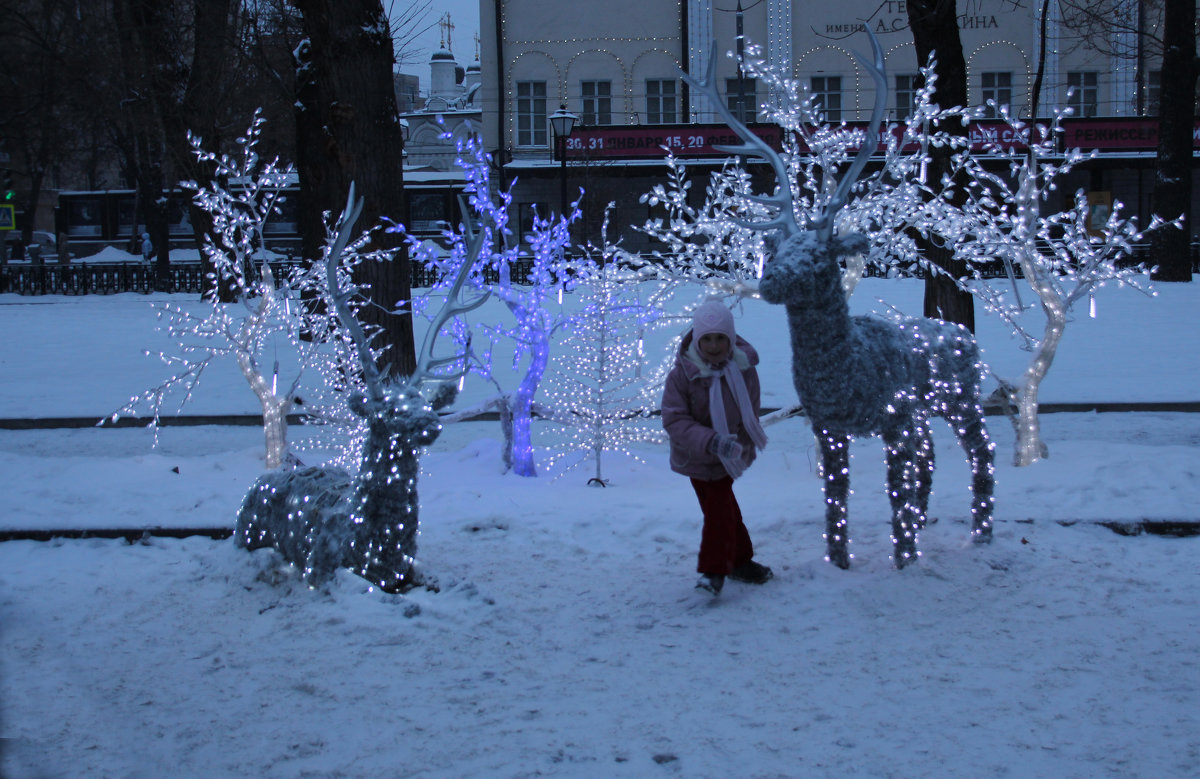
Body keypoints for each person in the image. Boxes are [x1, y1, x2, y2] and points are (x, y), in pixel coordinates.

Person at [661, 299, 772, 595]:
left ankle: (714, 570)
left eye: (720, 339)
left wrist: (739, 447)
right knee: (721, 509)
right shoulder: (683, 375)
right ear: (697, 339)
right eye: (706, 339)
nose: (713, 346)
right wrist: (711, 441)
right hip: (695, 455)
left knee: (719, 508)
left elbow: (751, 408)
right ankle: (739, 560)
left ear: (731, 338)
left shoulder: (743, 370)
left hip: (729, 456)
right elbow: (674, 419)